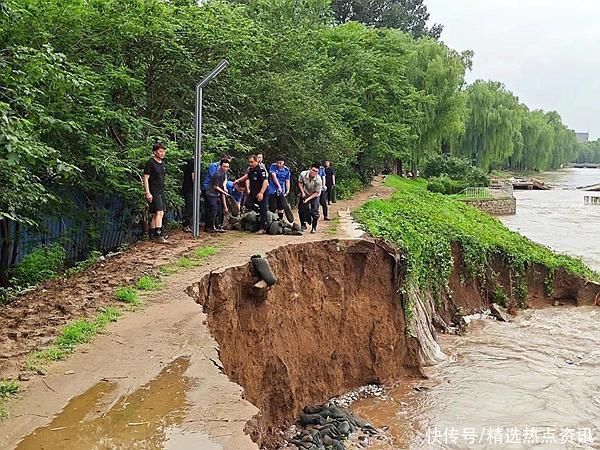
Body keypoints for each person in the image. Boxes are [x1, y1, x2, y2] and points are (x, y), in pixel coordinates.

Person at [143, 143, 169, 243]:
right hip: (154, 190)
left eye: (163, 151)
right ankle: (159, 233)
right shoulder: (150, 163)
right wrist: (147, 192)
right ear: (155, 152)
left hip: (161, 190)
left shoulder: (162, 163)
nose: (162, 153)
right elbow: (146, 178)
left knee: (155, 214)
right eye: (160, 151)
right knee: (160, 212)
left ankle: (152, 233)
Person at [236, 155, 269, 231]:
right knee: (248, 203)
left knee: (263, 210)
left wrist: (261, 193)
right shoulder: (250, 170)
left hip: (262, 192)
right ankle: (258, 210)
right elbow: (247, 176)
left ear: (256, 161)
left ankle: (263, 228)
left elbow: (265, 181)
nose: (250, 164)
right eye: (249, 162)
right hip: (254, 192)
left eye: (252, 162)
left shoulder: (261, 170)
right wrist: (238, 180)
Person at [205, 159, 230, 232]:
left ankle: (217, 226)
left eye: (227, 167)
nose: (226, 168)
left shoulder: (224, 174)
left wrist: (224, 191)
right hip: (211, 193)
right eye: (224, 166)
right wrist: (224, 192)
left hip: (216, 194)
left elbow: (222, 186)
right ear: (220, 166)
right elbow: (215, 186)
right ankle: (209, 227)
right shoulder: (217, 174)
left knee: (219, 210)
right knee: (213, 210)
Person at [298, 163, 323, 233]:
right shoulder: (303, 174)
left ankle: (314, 227)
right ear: (310, 169)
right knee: (301, 209)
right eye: (313, 170)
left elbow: (317, 193)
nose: (314, 172)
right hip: (305, 192)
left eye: (316, 171)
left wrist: (308, 199)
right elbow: (300, 183)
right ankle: (303, 225)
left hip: (315, 195)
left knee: (314, 211)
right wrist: (302, 192)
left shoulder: (319, 180)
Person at [182, 158, 194, 232]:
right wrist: (197, 187)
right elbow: (193, 177)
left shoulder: (189, 162)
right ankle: (186, 224)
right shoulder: (193, 163)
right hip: (189, 188)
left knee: (190, 206)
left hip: (188, 188)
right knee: (189, 206)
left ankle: (188, 224)